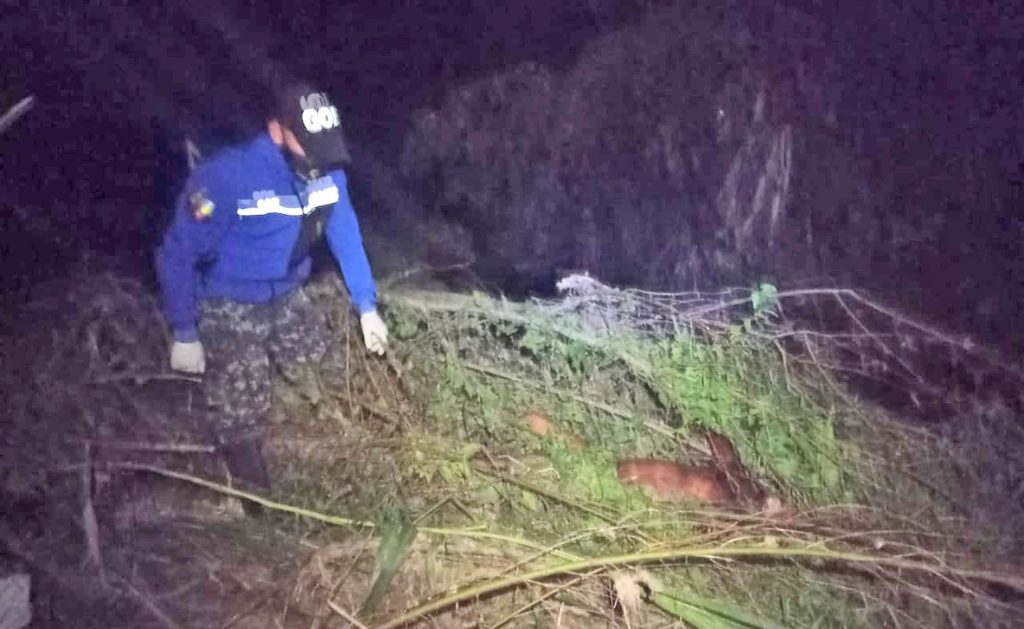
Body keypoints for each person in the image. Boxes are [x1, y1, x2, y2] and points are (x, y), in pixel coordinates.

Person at [155, 82, 388, 508]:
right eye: (308, 146)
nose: (317, 159)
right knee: (240, 407)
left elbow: (345, 233)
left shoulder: (328, 170)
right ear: (278, 130)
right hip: (228, 301)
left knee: (327, 376)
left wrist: (366, 305)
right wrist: (185, 330)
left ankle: (337, 471)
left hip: (288, 294)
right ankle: (259, 509)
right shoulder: (226, 177)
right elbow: (177, 253)